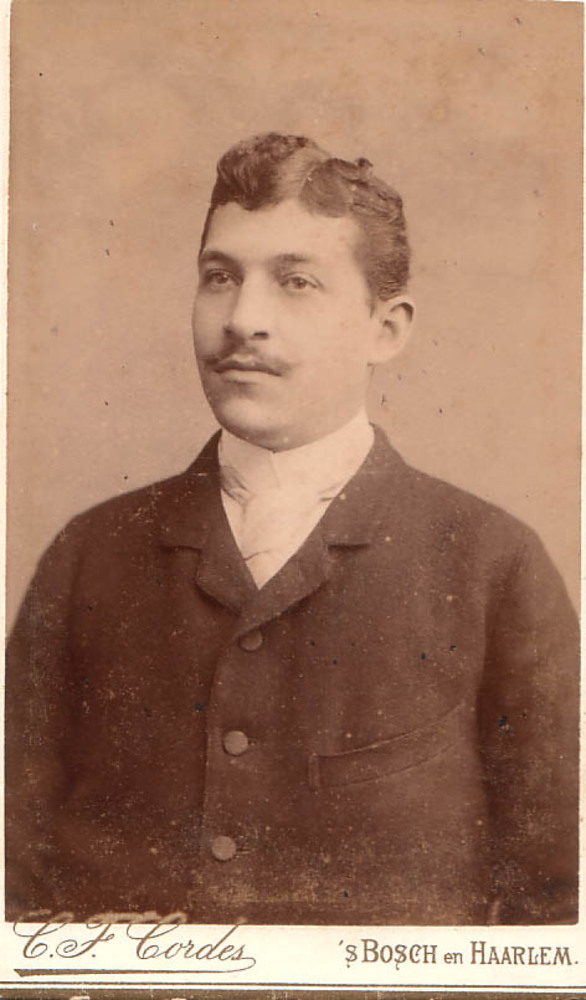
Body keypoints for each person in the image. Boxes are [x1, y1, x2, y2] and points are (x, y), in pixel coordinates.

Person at [5, 132, 579, 926]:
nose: (243, 320)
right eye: (219, 277)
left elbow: (558, 916)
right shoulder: (89, 556)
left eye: (296, 281)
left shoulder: (492, 565)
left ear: (386, 328)